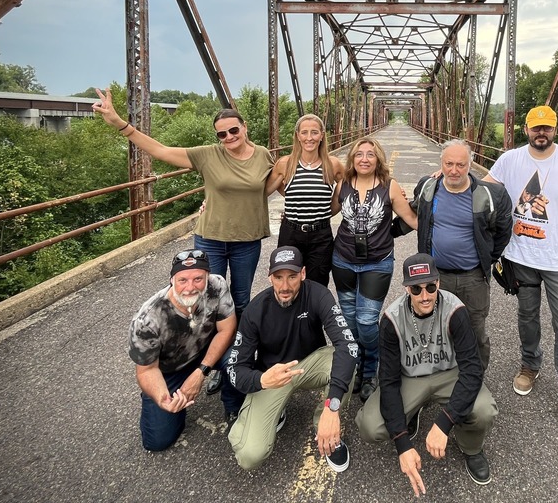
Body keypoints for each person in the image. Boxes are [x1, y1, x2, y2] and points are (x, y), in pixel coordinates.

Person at [92, 89, 276, 317]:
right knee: (208, 301)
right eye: (221, 134)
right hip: (211, 239)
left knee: (241, 300)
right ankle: (210, 350)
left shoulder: (263, 155)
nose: (229, 137)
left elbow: (274, 184)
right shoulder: (207, 155)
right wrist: (119, 123)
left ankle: (238, 349)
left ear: (244, 127)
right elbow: (160, 150)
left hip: (247, 240)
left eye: (234, 130)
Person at [485, 104, 558, 443]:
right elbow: (482, 188)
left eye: (547, 128)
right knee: (527, 316)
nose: (541, 133)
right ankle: (530, 365)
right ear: (526, 130)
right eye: (536, 128)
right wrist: (446, 175)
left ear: (555, 129)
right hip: (521, 255)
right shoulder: (510, 160)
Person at [356, 253, 498, 493]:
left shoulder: (455, 310)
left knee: (484, 410)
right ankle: (411, 415)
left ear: (438, 284)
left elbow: (472, 369)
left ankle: (470, 447)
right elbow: (389, 382)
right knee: (370, 425)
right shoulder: (391, 319)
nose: (424, 296)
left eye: (430, 287)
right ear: (406, 289)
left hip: (448, 374)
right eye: (416, 289)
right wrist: (402, 444)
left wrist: (444, 423)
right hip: (409, 378)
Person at [225, 245, 358, 472]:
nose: (285, 286)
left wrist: (332, 406)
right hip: (272, 376)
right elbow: (235, 368)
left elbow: (348, 345)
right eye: (278, 277)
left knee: (344, 360)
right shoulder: (255, 311)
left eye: (292, 277)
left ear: (303, 274)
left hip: (310, 365)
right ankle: (275, 410)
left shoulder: (318, 294)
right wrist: (261, 381)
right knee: (249, 456)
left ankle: (325, 430)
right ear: (270, 278)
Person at [396, 139, 512, 370]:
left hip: (473, 277)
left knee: (475, 329)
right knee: (433, 326)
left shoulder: (492, 195)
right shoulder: (428, 187)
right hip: (436, 277)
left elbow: (503, 232)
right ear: (441, 163)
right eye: (449, 163)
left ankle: (474, 378)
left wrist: (486, 259)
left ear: (471, 165)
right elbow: (414, 214)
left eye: (461, 164)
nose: (454, 170)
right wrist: (382, 233)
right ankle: (438, 374)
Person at [331, 137, 418, 402]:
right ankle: (356, 364)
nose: (365, 159)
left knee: (367, 321)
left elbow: (412, 220)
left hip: (377, 262)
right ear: (352, 159)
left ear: (378, 158)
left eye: (370, 154)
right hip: (343, 260)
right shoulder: (343, 184)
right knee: (349, 320)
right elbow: (326, 211)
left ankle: (371, 369)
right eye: (359, 154)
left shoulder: (390, 186)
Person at [128, 249, 237, 451]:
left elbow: (227, 330)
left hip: (206, 350)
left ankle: (234, 407)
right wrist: (163, 399)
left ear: (207, 277)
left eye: (198, 279)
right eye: (182, 280)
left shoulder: (217, 284)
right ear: (172, 280)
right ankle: (162, 398)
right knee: (158, 442)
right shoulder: (147, 320)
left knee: (237, 356)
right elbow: (146, 370)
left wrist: (201, 372)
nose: (190, 287)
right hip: (170, 368)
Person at [266, 114, 345, 287]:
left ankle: (313, 315)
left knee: (317, 283)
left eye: (314, 132)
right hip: (291, 232)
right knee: (287, 283)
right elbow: (262, 191)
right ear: (297, 136)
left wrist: (391, 189)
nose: (309, 138)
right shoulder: (285, 164)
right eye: (304, 132)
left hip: (321, 235)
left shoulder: (333, 164)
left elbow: (353, 185)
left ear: (322, 135)